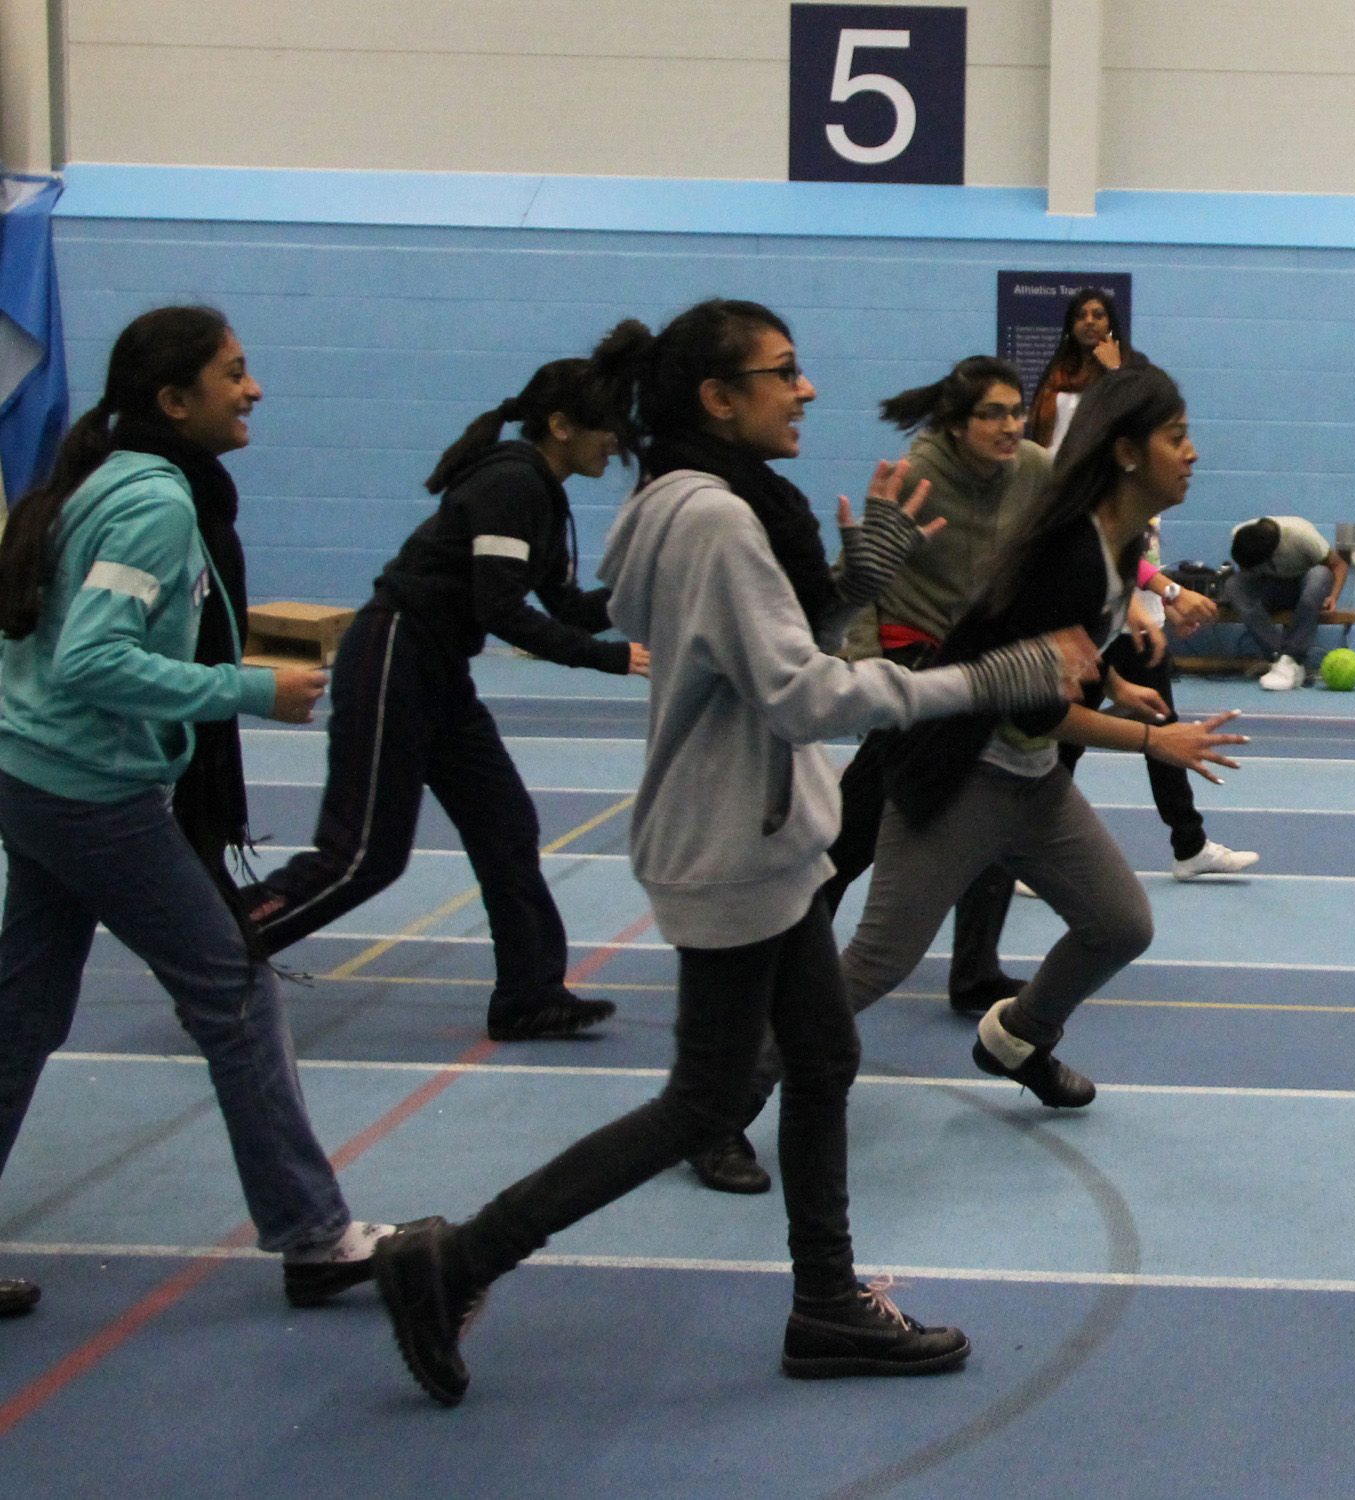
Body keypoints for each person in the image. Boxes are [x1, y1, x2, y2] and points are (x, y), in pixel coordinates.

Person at [369, 298, 1096, 1406]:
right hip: (730, 843)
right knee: (703, 1104)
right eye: (783, 372)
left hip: (760, 837)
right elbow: (805, 695)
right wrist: (1000, 678)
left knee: (820, 1062)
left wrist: (860, 581)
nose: (805, 390)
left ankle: (826, 1305)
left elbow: (771, 642)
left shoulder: (689, 499)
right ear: (718, 397)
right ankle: (457, 1259)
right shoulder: (710, 517)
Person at [0, 307, 393, 1320]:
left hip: (37, 775)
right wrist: (247, 688)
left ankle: (311, 1233)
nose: (252, 388)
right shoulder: (154, 503)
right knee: (231, 987)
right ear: (175, 402)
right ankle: (315, 1237)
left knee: (25, 1008)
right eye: (233, 372)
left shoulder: (111, 479)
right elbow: (90, 658)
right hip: (84, 789)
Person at [687, 355, 1051, 1195]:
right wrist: (861, 672)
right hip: (912, 691)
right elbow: (858, 603)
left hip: (987, 693)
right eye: (991, 415)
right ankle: (727, 1104)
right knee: (846, 871)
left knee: (1012, 836)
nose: (1009, 429)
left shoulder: (1033, 470)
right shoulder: (916, 476)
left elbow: (1077, 541)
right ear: (956, 425)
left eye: (1016, 413)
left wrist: (1148, 595)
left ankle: (980, 982)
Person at [840, 365, 1248, 1108]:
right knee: (877, 963)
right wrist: (1156, 741)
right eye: (1177, 437)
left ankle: (1015, 1039)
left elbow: (1064, 651)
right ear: (1126, 452)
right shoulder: (1070, 552)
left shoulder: (1118, 544)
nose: (1192, 454)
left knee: (1119, 924)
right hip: (956, 773)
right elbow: (1033, 710)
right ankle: (727, 1091)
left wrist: (1116, 682)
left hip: (1029, 779)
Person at [241, 360, 647, 1041]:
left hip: (437, 671)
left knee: (506, 826)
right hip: (393, 656)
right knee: (363, 855)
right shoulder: (512, 481)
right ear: (560, 425)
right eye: (607, 427)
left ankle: (529, 995)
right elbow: (501, 609)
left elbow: (568, 608)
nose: (617, 442)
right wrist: (612, 657)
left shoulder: (543, 495)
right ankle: (213, 949)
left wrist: (642, 587)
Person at [1113, 519, 1260, 879]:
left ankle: (1190, 845)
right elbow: (1104, 550)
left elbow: (1139, 555)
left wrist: (1163, 609)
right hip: (1102, 629)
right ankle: (1023, 853)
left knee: (1166, 735)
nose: (1189, 458)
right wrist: (1171, 594)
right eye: (1183, 455)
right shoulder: (1108, 477)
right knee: (1060, 740)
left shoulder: (1151, 494)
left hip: (1138, 626)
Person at [1227, 515, 1347, 690]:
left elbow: (1339, 565)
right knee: (1233, 585)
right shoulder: (1241, 536)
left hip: (1304, 588)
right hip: (1271, 587)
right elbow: (1245, 571)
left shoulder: (1302, 535)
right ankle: (1280, 659)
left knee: (1320, 574)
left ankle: (1292, 657)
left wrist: (1333, 597)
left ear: (1272, 553)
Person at [1031, 287, 1141, 452]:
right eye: (1081, 316)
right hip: (1054, 468)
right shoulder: (1057, 370)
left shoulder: (1131, 365)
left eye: (1098, 315)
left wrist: (1115, 369)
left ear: (1110, 323)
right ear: (1072, 326)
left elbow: (1135, 415)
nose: (1089, 321)